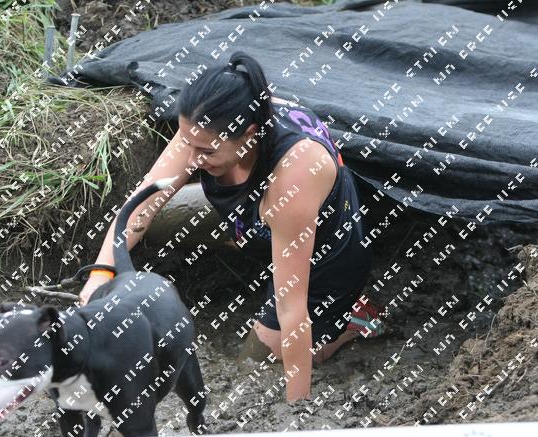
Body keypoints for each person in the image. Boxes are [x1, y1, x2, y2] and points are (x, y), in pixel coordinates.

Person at [78, 50, 384, 401]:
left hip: (324, 253)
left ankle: (350, 322)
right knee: (161, 216)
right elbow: (140, 207)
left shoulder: (296, 172)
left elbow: (292, 308)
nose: (192, 160)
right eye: (187, 144)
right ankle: (247, 242)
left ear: (250, 135)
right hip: (253, 219)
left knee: (256, 364)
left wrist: (296, 407)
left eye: (206, 152)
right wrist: (101, 274)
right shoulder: (204, 125)